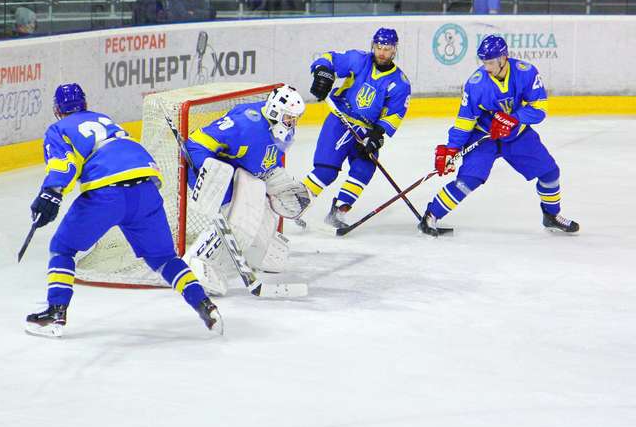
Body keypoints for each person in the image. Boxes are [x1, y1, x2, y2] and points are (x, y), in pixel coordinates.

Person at [25, 83, 223, 337]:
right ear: (85, 104)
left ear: (56, 110)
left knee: (63, 248)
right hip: (146, 190)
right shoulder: (105, 120)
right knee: (165, 259)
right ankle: (204, 304)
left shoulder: (59, 128)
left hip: (108, 195)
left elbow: (64, 165)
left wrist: (51, 192)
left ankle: (55, 313)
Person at [418, 35, 580, 236]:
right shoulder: (476, 84)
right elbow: (465, 121)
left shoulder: (526, 73)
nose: (487, 67)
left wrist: (514, 119)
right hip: (484, 137)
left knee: (550, 172)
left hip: (516, 135)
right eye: (484, 62)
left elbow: (539, 108)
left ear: (504, 58)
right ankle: (430, 216)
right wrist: (452, 148)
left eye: (491, 62)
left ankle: (551, 215)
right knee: (468, 180)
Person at [182, 85, 310, 295]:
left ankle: (257, 252)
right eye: (289, 117)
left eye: (294, 118)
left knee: (262, 211)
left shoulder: (280, 128)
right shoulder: (245, 126)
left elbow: (267, 160)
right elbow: (196, 142)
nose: (292, 123)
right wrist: (208, 172)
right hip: (215, 174)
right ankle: (196, 261)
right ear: (276, 112)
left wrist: (278, 184)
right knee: (239, 218)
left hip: (242, 172)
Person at [303, 27, 411, 229]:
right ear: (373, 46)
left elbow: (394, 115)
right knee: (326, 170)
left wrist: (377, 135)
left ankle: (338, 212)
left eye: (387, 48)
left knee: (364, 168)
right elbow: (329, 58)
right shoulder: (359, 60)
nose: (382, 52)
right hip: (340, 120)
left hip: (366, 131)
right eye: (378, 47)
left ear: (395, 49)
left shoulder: (400, 83)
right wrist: (322, 73)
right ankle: (296, 204)